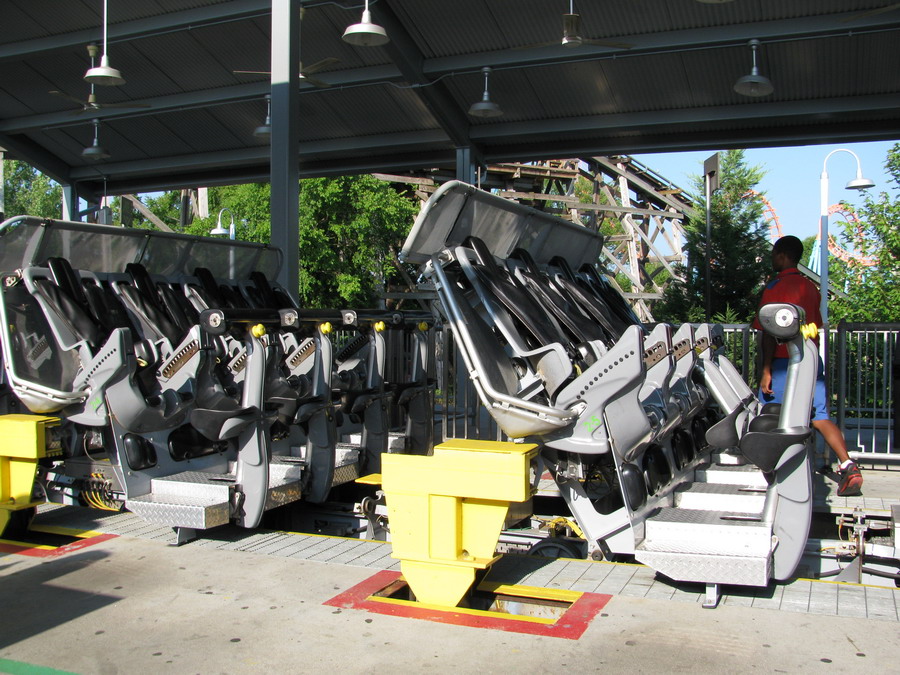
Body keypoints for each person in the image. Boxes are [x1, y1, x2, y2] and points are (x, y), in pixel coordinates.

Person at [753, 235, 863, 496]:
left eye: (773, 255)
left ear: (782, 255)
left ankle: (775, 475)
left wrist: (766, 369)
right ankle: (848, 465)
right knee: (820, 416)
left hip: (783, 363)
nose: (772, 259)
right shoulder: (809, 287)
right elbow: (816, 325)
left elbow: (768, 332)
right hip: (810, 360)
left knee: (769, 416)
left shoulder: (774, 288)